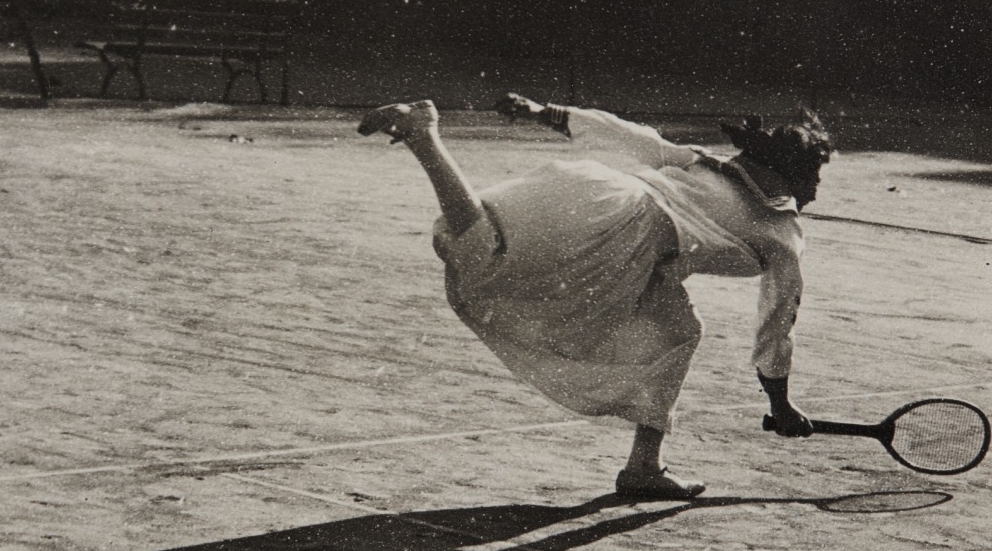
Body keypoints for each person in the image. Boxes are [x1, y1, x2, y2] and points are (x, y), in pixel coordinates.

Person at [357, 94, 835, 498]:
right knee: (483, 255)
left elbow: (630, 136)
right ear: (793, 174)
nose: (815, 189)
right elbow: (778, 322)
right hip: (624, 232)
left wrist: (544, 112)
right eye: (814, 176)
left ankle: (644, 467)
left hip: (599, 192)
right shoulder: (783, 234)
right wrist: (780, 404)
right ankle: (425, 136)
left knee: (679, 331)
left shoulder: (701, 161)